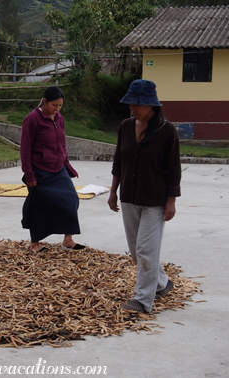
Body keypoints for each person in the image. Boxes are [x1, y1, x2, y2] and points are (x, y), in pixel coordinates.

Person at [108, 79, 181, 313]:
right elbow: (119, 161)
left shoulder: (167, 131)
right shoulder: (126, 127)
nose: (133, 107)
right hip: (128, 197)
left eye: (138, 103)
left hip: (155, 201)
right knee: (135, 249)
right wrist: (112, 191)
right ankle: (162, 283)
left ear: (152, 105)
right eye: (131, 103)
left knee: (146, 250)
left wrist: (171, 201)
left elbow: (173, 169)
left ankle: (142, 300)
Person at [20, 86, 85, 253]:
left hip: (58, 168)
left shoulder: (59, 119)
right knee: (39, 206)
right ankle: (35, 243)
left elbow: (62, 145)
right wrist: (29, 174)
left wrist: (68, 166)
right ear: (44, 101)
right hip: (39, 170)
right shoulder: (32, 119)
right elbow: (25, 149)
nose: (56, 109)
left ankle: (68, 240)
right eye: (54, 105)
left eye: (60, 106)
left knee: (71, 200)